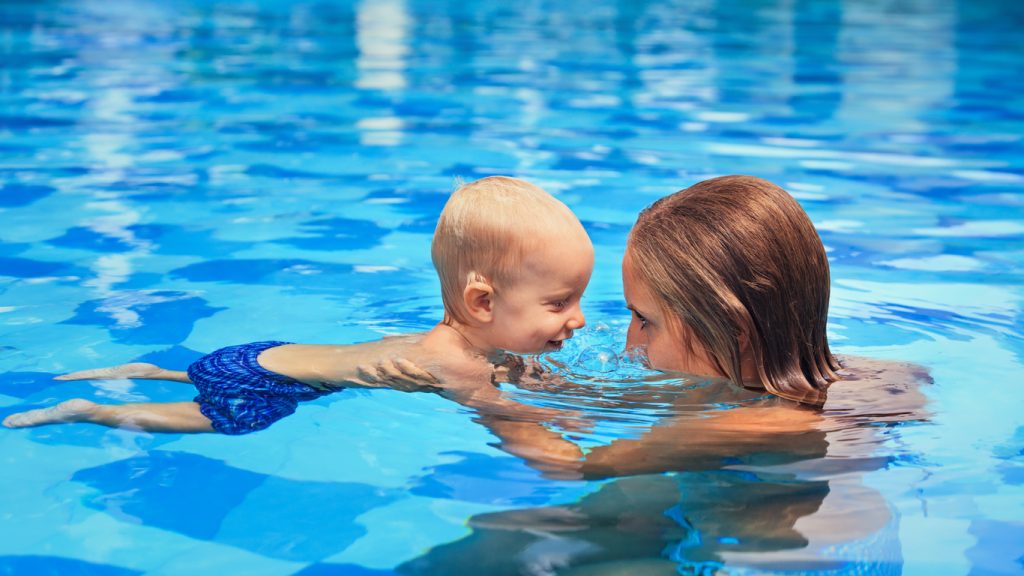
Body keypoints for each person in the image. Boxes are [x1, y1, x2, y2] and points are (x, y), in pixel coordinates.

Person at [2, 176, 594, 450]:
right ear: (482, 302)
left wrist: (529, 371)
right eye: (559, 302)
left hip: (261, 356)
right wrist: (557, 415)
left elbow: (503, 370)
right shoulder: (458, 365)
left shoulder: (449, 340)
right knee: (220, 421)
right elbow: (497, 412)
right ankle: (94, 411)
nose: (579, 319)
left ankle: (150, 371)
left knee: (211, 380)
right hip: (262, 383)